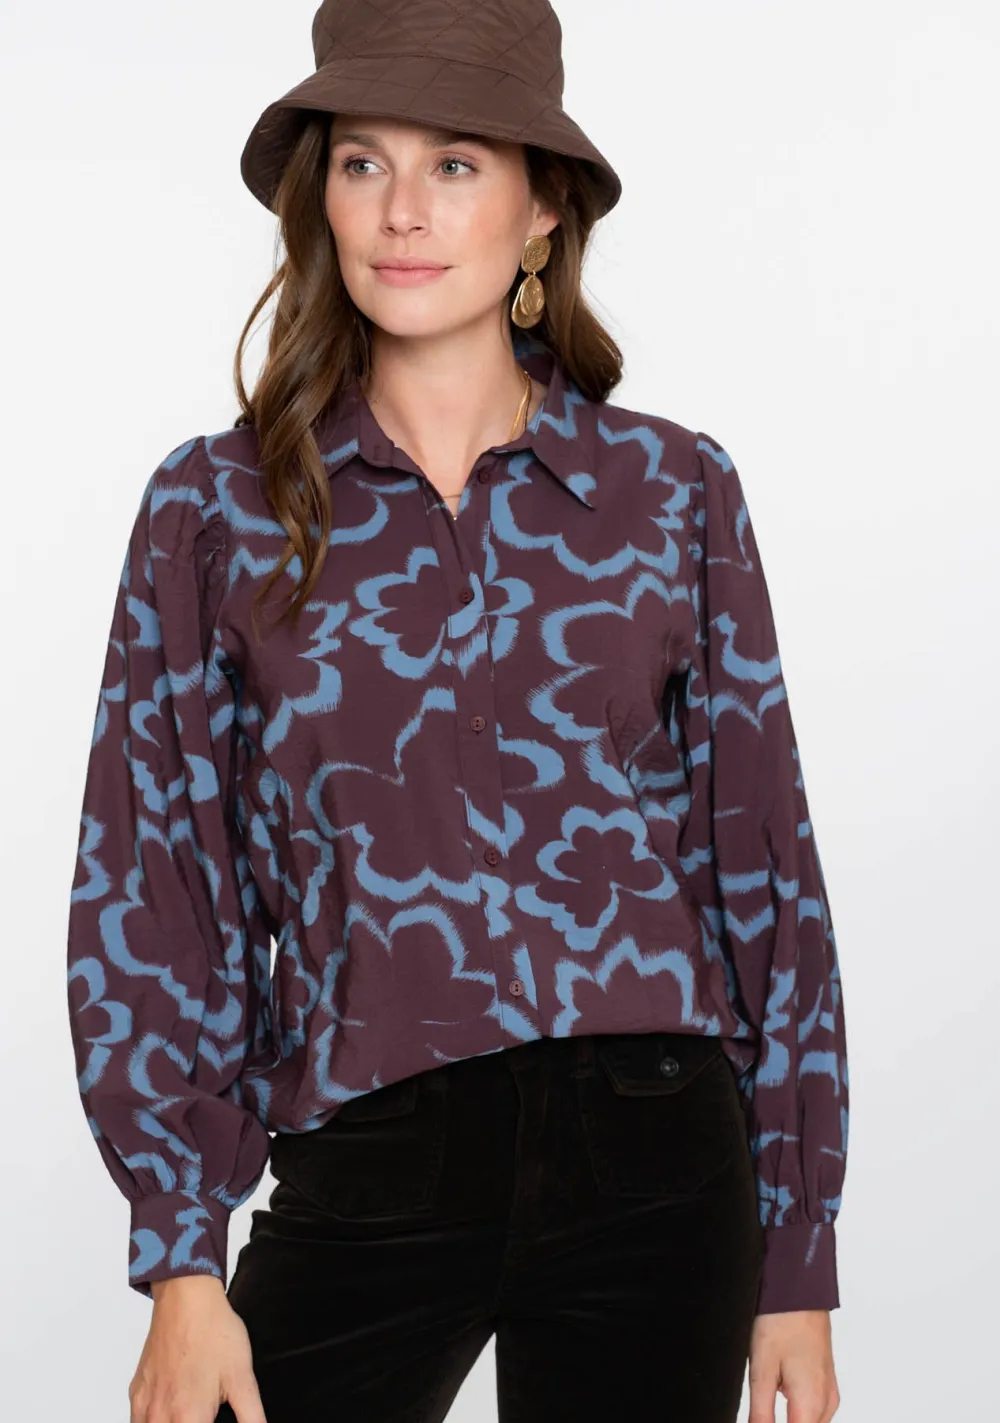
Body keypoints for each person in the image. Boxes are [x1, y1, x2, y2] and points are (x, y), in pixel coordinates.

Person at [66, 2, 849, 1420]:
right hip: (373, 1149)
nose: (402, 212)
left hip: (658, 1155)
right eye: (362, 163)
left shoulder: (671, 492)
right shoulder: (217, 509)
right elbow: (157, 880)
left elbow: (764, 871)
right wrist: (183, 1255)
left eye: (456, 165)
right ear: (321, 199)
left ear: (543, 208)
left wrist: (797, 1254)